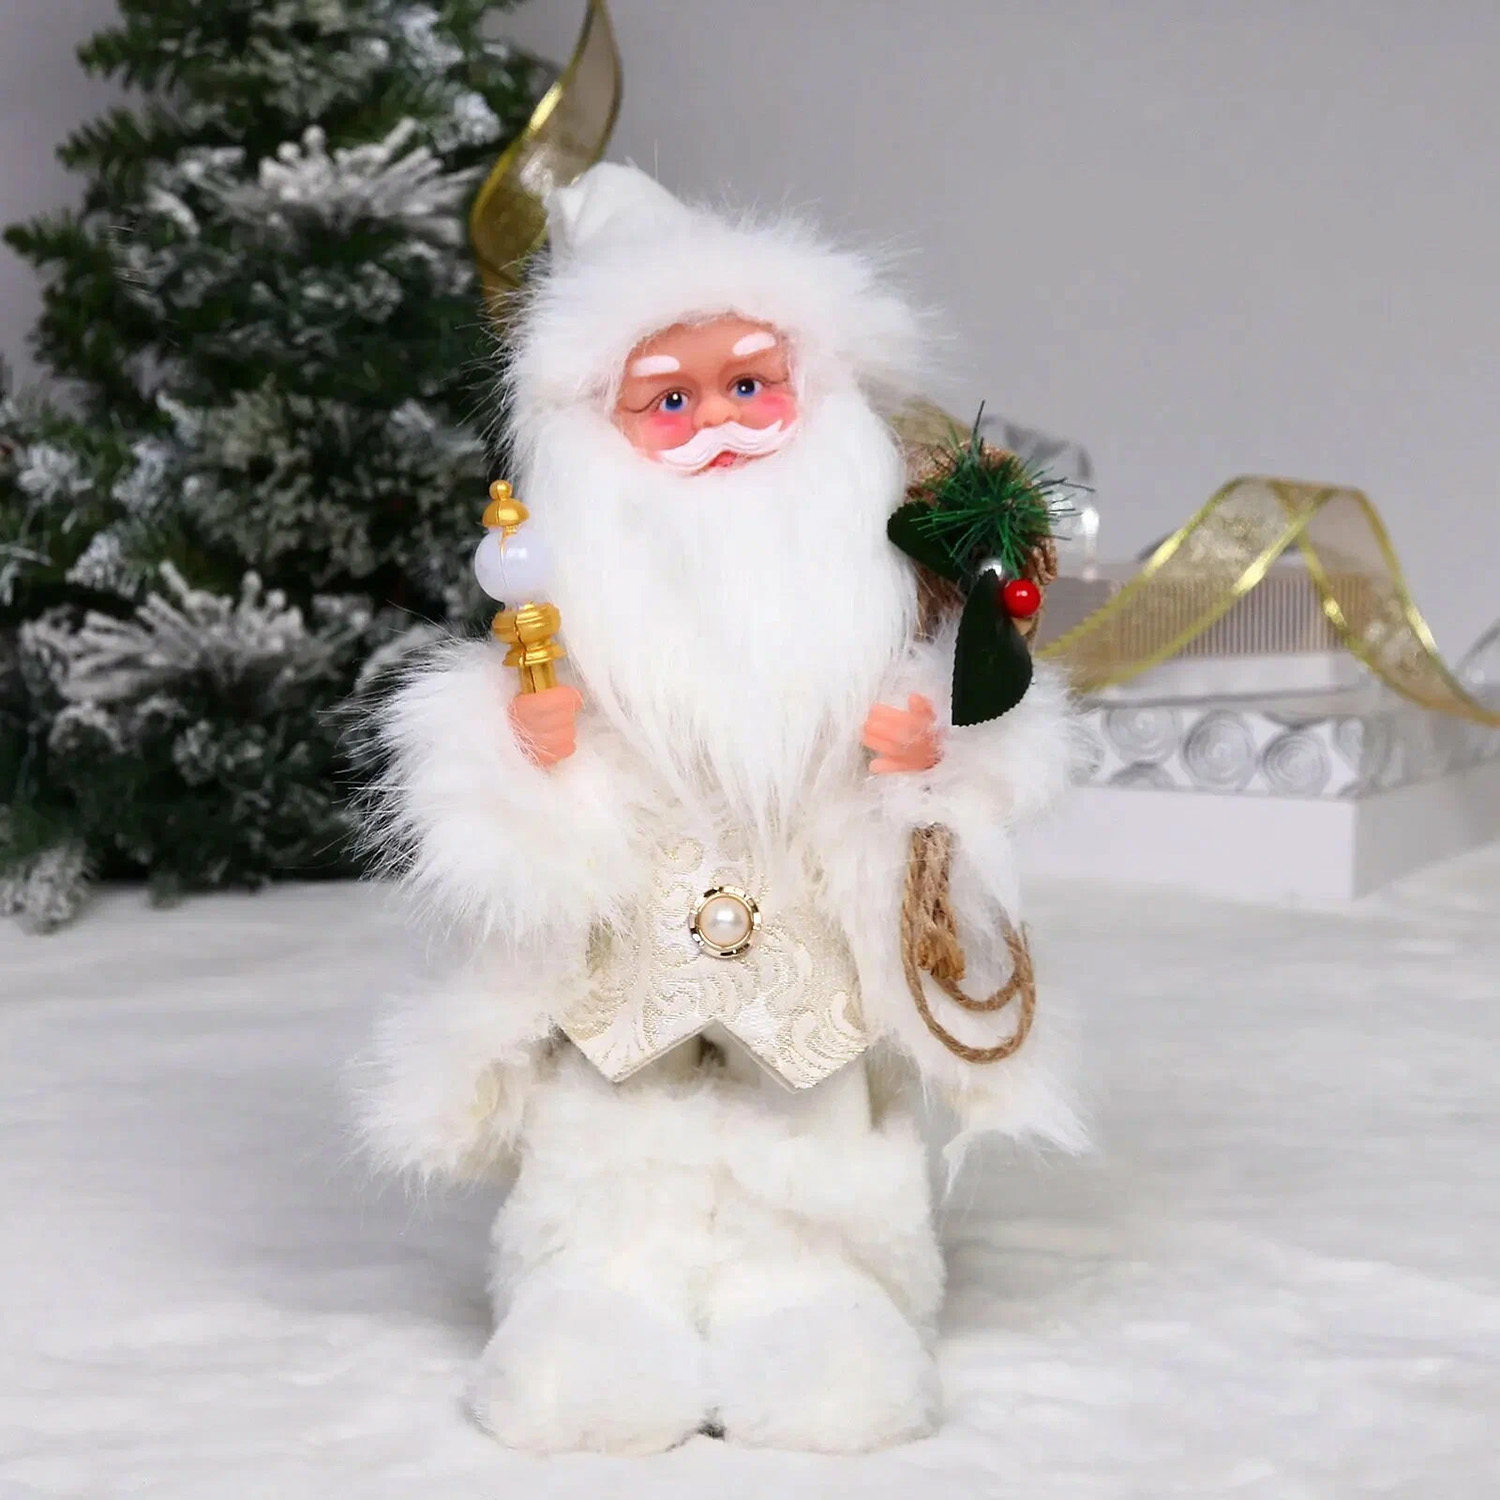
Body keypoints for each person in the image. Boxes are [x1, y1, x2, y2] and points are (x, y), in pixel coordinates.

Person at [360, 164, 1083, 1454]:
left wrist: (925, 756)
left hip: (810, 956)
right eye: (670, 399)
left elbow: (984, 754)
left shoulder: (875, 585)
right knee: (601, 1113)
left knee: (824, 1119)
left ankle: (826, 1297)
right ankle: (593, 1294)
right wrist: (537, 758)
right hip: (628, 961)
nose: (718, 427)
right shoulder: (572, 602)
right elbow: (494, 814)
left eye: (750, 386)